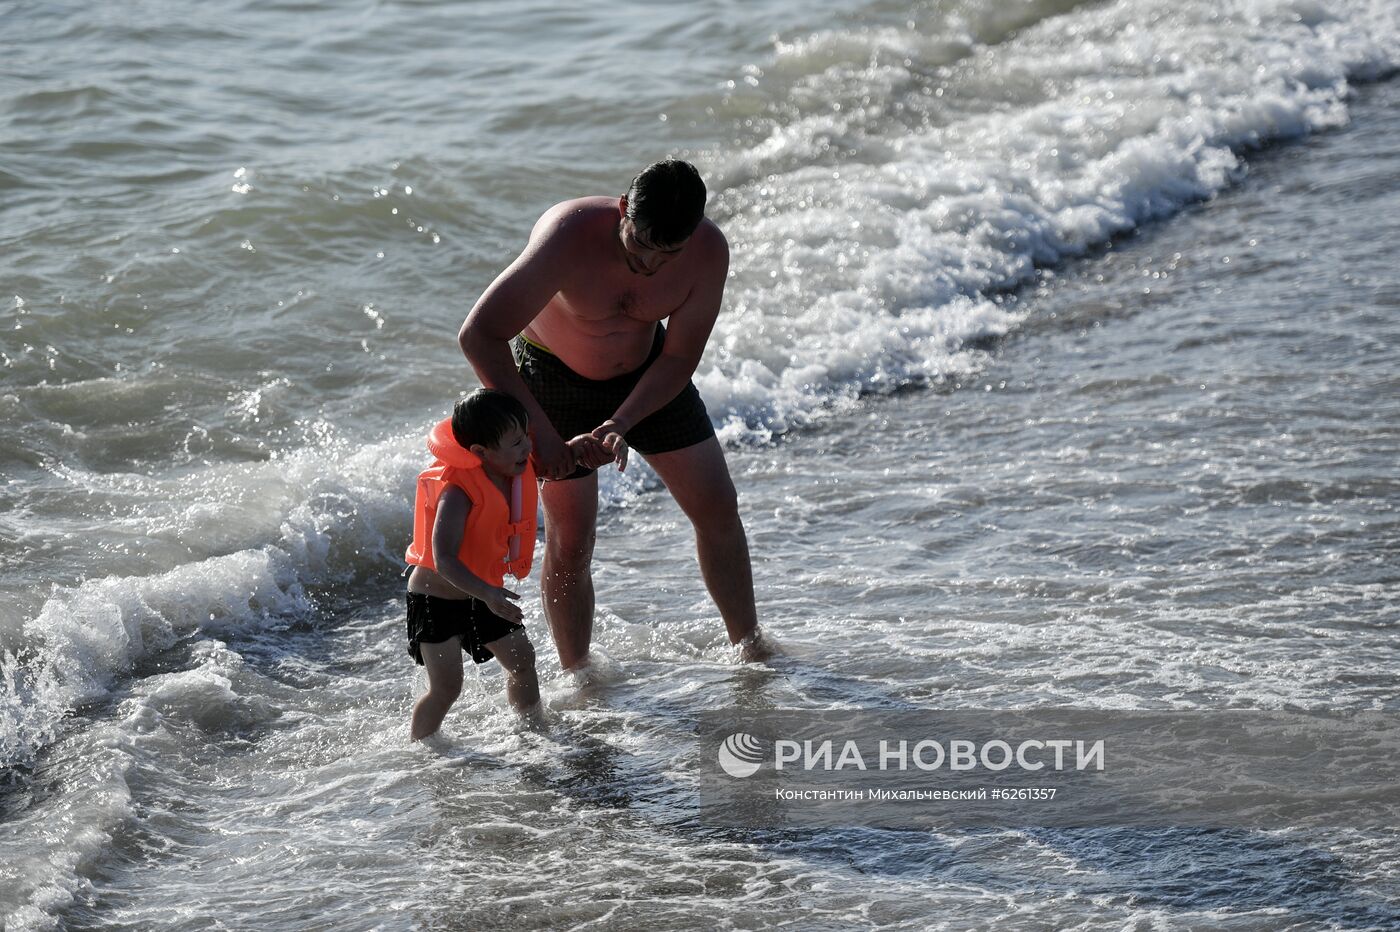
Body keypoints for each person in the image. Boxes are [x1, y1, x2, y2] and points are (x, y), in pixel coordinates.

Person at [458, 158, 767, 672]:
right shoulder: (568, 235)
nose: (648, 265)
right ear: (623, 210)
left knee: (718, 505)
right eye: (638, 245)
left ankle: (750, 648)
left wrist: (623, 421)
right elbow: (479, 336)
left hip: (650, 375)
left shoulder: (708, 251)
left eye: (665, 255)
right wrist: (538, 435)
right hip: (553, 381)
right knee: (573, 539)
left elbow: (678, 358)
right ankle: (578, 675)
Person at [404, 389, 553, 739]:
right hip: (436, 599)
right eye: (516, 443)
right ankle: (421, 751)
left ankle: (533, 731)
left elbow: (566, 461)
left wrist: (593, 446)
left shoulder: (514, 470)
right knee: (447, 688)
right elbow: (444, 559)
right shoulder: (458, 493)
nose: (526, 448)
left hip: (484, 592)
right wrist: (488, 593)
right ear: (481, 453)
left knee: (522, 661)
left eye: (526, 437)